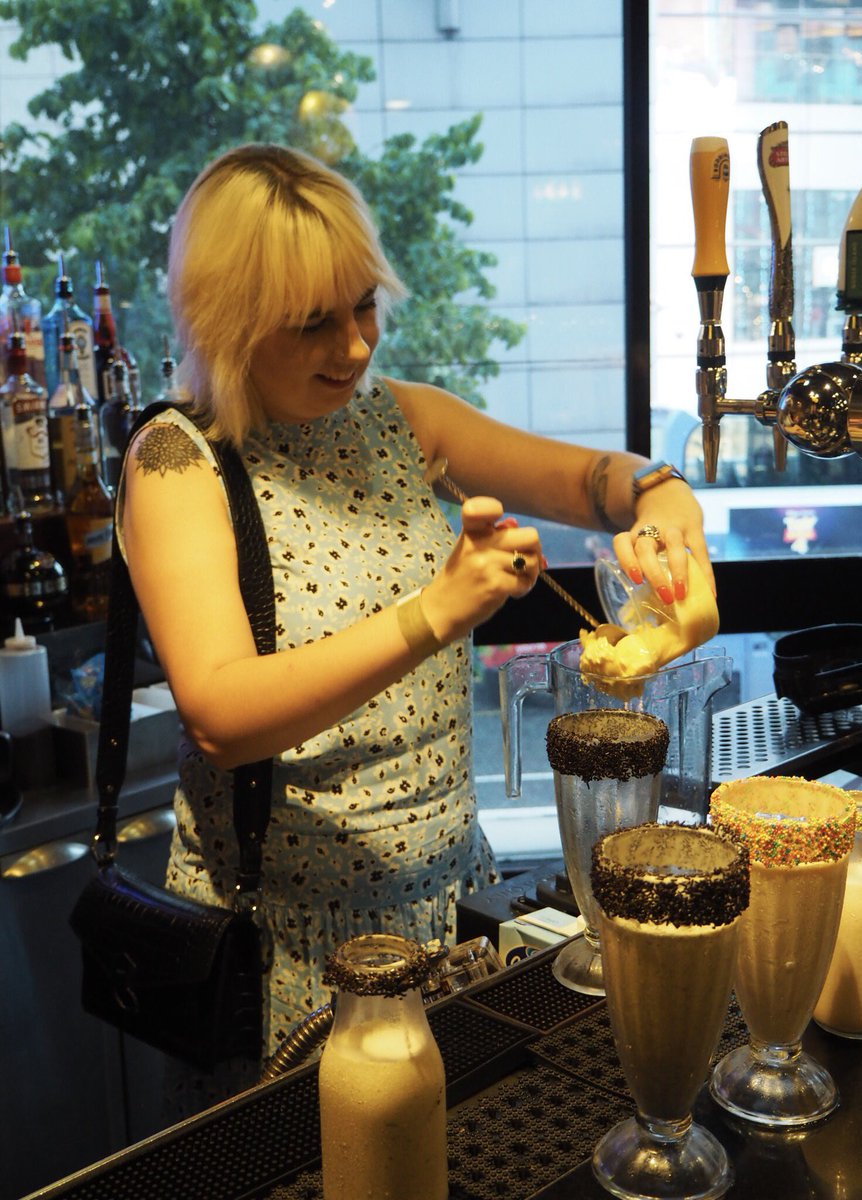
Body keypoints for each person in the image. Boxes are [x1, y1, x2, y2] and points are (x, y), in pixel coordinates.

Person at [119, 142, 714, 1075]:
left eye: (364, 305)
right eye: (315, 322)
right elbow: (221, 714)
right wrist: (435, 612)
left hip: (452, 910)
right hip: (297, 950)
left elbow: (596, 482)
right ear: (226, 321)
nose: (355, 345)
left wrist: (666, 502)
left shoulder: (404, 420)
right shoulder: (177, 461)